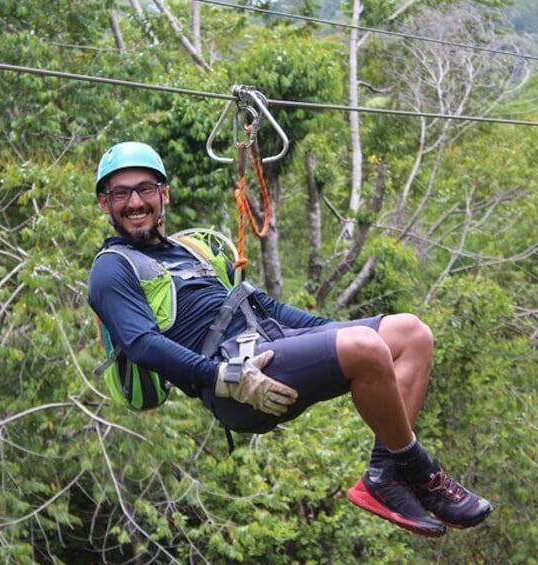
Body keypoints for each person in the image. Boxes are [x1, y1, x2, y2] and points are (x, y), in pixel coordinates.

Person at [87, 141, 493, 537]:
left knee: (411, 334)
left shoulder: (194, 249)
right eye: (120, 193)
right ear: (106, 204)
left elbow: (262, 304)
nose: (135, 202)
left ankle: (384, 475)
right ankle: (423, 474)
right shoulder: (112, 269)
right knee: (367, 350)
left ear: (164, 195)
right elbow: (141, 344)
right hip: (235, 380)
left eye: (144, 189)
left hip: (269, 341)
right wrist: (225, 378)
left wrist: (334, 333)